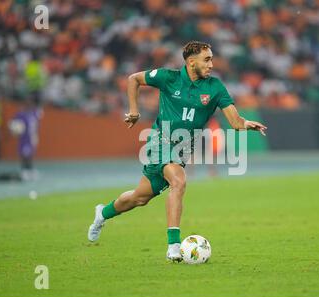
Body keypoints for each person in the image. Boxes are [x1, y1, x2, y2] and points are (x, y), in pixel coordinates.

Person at [87, 41, 267, 261]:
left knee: (139, 198)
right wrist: (134, 111)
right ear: (191, 62)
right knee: (179, 182)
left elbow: (235, 122)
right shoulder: (168, 78)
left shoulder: (215, 87)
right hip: (159, 141)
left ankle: (102, 213)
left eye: (211, 59)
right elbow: (133, 79)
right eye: (207, 59)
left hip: (180, 152)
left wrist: (246, 124)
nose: (211, 64)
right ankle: (173, 245)